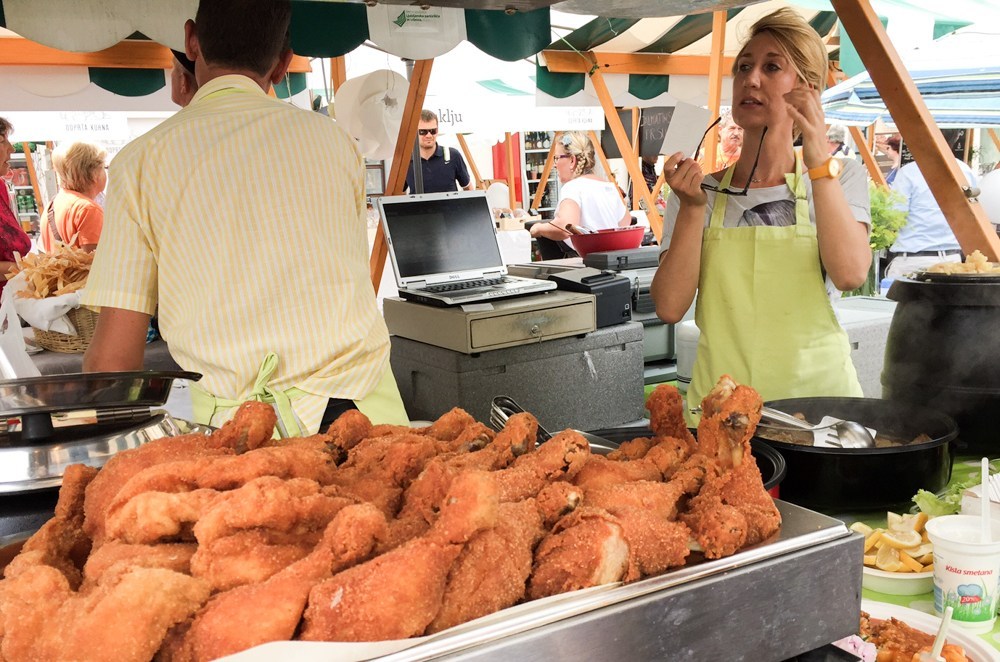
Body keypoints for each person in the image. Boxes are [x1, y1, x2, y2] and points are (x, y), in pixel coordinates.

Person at [82, 0, 408, 436]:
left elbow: (113, 363)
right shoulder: (335, 143)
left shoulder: (141, 162)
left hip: (241, 438)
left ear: (191, 40)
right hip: (367, 416)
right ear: (282, 64)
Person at [652, 7, 871, 414]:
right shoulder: (702, 190)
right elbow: (668, 307)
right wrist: (693, 209)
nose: (750, 79)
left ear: (806, 88)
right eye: (743, 67)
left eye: (772, 67)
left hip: (817, 409)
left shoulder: (837, 178)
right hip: (721, 413)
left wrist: (819, 159)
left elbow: (851, 273)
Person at [884, 129, 977, 280]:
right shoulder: (966, 172)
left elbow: (893, 217)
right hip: (953, 262)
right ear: (956, 139)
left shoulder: (909, 172)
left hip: (912, 262)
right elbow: (973, 216)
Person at [528, 131, 631, 260]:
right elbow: (625, 222)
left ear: (572, 160)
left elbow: (564, 227)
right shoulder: (609, 187)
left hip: (586, 266)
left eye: (557, 158)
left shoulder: (573, 188)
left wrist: (539, 228)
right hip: (613, 264)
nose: (555, 165)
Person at [41, 141, 107, 253]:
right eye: (104, 167)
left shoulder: (53, 204)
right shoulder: (88, 210)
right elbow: (97, 264)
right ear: (94, 173)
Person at [0, 118, 33, 297]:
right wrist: (25, 268)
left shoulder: (1, 187)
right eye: (2, 141)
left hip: (10, 308)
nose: (11, 149)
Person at [404, 109, 472, 194]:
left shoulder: (453, 155)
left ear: (437, 130)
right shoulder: (405, 161)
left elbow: (468, 188)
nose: (429, 135)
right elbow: (398, 193)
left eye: (433, 131)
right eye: (423, 132)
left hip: (451, 207)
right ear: (414, 132)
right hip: (419, 207)